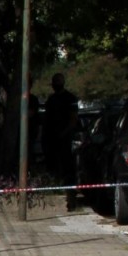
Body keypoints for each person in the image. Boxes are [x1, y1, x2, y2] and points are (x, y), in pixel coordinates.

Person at [43, 73, 80, 210]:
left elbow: (73, 119)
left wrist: (63, 133)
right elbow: (47, 119)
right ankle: (56, 188)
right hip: (51, 139)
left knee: (67, 169)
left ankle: (69, 195)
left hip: (66, 140)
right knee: (53, 166)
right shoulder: (51, 99)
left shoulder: (70, 98)